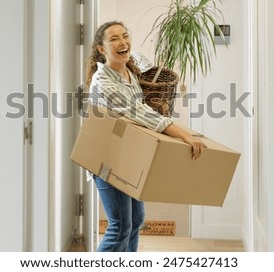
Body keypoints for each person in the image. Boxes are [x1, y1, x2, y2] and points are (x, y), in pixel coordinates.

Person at [85, 21, 206, 252]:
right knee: (120, 225)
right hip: (107, 159)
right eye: (113, 39)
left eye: (125, 35)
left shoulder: (130, 70)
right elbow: (143, 114)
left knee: (136, 221)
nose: (122, 42)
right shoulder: (104, 82)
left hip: (129, 155)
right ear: (101, 49)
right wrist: (185, 136)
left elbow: (149, 65)